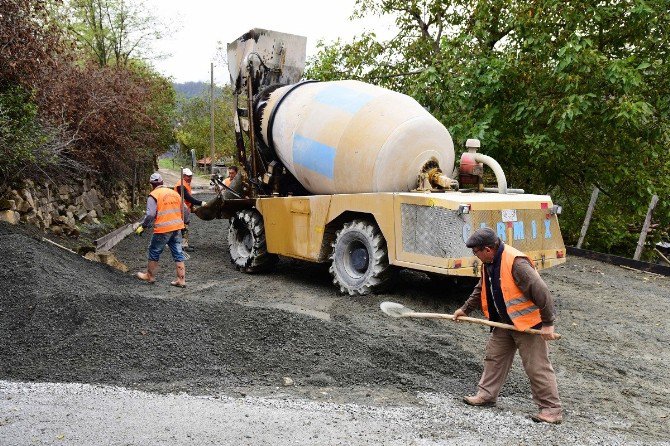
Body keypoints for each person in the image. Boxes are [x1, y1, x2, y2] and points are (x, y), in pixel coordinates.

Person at [453, 227, 562, 424]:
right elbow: (482, 287)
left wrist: (548, 324)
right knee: (494, 357)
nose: (474, 255)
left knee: (537, 367)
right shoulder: (490, 262)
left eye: (475, 251)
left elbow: (542, 291)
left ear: (487, 249)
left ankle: (551, 410)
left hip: (528, 324)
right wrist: (465, 309)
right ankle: (486, 396)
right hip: (504, 322)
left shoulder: (517, 263)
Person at [135, 172, 187, 287]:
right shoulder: (174, 193)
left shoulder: (154, 195)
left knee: (154, 251)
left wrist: (143, 226)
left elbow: (150, 214)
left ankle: (150, 276)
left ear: (151, 184)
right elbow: (185, 210)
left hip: (163, 229)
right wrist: (184, 224)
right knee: (178, 253)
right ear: (162, 182)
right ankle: (181, 280)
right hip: (177, 228)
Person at [173, 168, 206, 252]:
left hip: (185, 208)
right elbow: (187, 197)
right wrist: (200, 203)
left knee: (184, 226)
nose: (190, 178)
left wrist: (191, 207)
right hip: (180, 208)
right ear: (183, 176)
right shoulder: (180, 185)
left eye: (191, 176)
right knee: (183, 226)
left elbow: (188, 199)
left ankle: (184, 243)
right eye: (188, 176)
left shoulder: (185, 184)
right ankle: (183, 245)